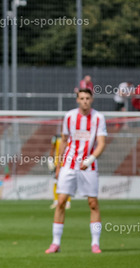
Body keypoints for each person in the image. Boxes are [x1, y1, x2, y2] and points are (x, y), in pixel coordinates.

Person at [45, 89, 106, 254]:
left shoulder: (98, 118)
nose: (85, 101)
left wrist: (90, 160)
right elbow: (64, 141)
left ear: (92, 99)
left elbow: (101, 143)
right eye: (82, 98)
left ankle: (95, 243)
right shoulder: (69, 116)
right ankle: (55, 243)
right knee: (61, 201)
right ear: (77, 100)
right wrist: (59, 165)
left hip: (89, 165)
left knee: (93, 203)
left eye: (87, 98)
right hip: (69, 164)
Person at [47, 135, 71, 210]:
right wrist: (50, 159)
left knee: (67, 183)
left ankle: (68, 202)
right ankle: (56, 201)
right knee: (55, 182)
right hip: (57, 163)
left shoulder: (70, 137)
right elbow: (52, 148)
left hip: (67, 163)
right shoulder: (55, 137)